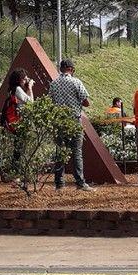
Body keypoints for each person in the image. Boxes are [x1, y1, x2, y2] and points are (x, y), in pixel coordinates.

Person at [48, 59, 94, 192]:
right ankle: (80, 183)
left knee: (60, 151)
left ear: (61, 69)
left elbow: (50, 101)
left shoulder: (54, 83)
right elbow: (86, 102)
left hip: (59, 121)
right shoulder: (76, 82)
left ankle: (59, 184)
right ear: (71, 69)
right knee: (77, 152)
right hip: (74, 121)